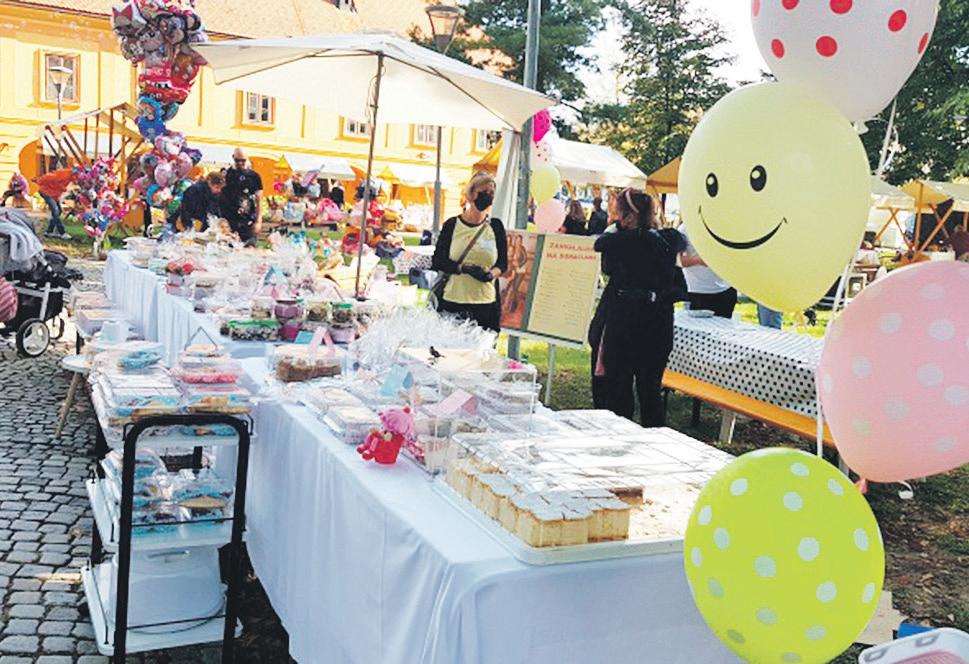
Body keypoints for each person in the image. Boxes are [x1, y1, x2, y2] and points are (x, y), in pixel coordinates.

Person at [589, 188, 685, 427]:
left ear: (629, 215)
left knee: (632, 393)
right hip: (649, 324)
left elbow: (679, 288)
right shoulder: (661, 240)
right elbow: (678, 287)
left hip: (632, 325)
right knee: (642, 393)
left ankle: (631, 437)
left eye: (617, 211)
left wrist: (651, 296)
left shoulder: (655, 241)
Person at [431, 172, 508, 332]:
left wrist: (489, 275)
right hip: (454, 300)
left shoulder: (495, 226)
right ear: (472, 193)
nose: (488, 196)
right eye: (484, 192)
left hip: (485, 303)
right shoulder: (452, 225)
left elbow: (503, 263)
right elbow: (438, 261)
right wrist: (463, 268)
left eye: (491, 193)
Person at [678, 224, 736, 318]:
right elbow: (677, 260)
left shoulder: (726, 225)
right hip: (698, 291)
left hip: (726, 290)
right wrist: (700, 261)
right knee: (697, 326)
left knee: (723, 326)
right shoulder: (685, 229)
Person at [221, 148, 263, 246]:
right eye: (237, 160)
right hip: (229, 221)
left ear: (247, 158)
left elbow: (259, 200)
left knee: (249, 249)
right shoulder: (226, 175)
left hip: (248, 222)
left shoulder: (254, 176)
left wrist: (258, 221)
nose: (240, 163)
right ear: (233, 157)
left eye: (243, 160)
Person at [33, 168, 73, 239]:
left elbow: (58, 187)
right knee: (55, 211)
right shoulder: (62, 176)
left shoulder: (68, 178)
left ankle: (49, 231)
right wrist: (38, 180)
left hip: (53, 194)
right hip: (46, 192)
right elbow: (49, 180)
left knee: (58, 211)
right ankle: (62, 232)